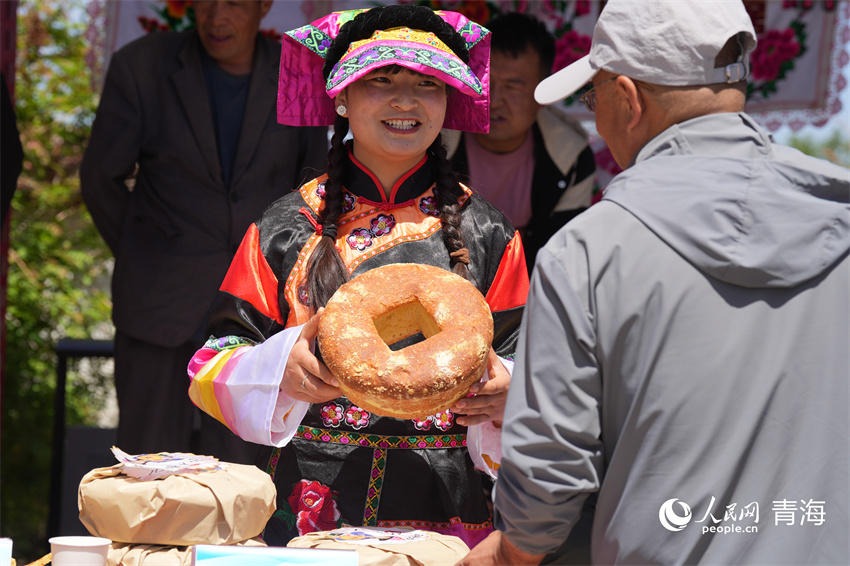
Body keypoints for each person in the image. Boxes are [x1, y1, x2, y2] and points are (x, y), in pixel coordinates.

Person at [459, 1, 850, 565]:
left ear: (629, 99)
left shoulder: (589, 249)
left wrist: (508, 553)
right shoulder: (838, 214)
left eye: (594, 98)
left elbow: (552, 467)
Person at [187, 4, 529, 548]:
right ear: (341, 97)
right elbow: (212, 362)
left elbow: (535, 362)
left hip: (446, 500)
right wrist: (281, 369)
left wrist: (514, 390)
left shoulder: (486, 231)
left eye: (427, 84)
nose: (406, 100)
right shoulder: (285, 226)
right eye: (382, 81)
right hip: (311, 499)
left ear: (449, 101)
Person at [80, 0, 328, 463]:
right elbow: (100, 177)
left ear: (263, 7)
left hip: (258, 310)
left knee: (243, 472)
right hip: (158, 303)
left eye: (233, 3)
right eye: (206, 2)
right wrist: (144, 251)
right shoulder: (143, 67)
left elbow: (312, 187)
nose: (217, 18)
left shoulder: (297, 77)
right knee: (147, 468)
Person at [443, 12, 595, 272]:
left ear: (543, 89)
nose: (495, 100)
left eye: (513, 86)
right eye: (486, 83)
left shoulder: (571, 156)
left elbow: (561, 254)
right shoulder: (436, 141)